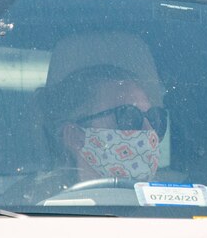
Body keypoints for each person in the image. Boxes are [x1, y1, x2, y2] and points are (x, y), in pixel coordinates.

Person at [39, 64, 169, 188]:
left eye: (154, 118)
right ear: (75, 136)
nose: (150, 131)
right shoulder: (37, 206)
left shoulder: (178, 208)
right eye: (129, 117)